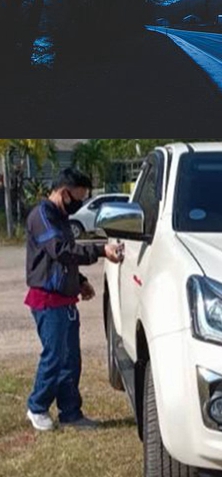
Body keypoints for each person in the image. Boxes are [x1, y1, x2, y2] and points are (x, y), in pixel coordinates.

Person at [24, 167, 124, 431]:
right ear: (63, 192)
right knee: (54, 356)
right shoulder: (42, 216)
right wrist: (101, 250)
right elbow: (60, 250)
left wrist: (79, 282)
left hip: (65, 300)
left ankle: (70, 412)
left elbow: (62, 261)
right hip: (47, 300)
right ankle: (37, 406)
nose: (78, 204)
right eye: (77, 198)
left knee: (71, 359)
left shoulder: (60, 218)